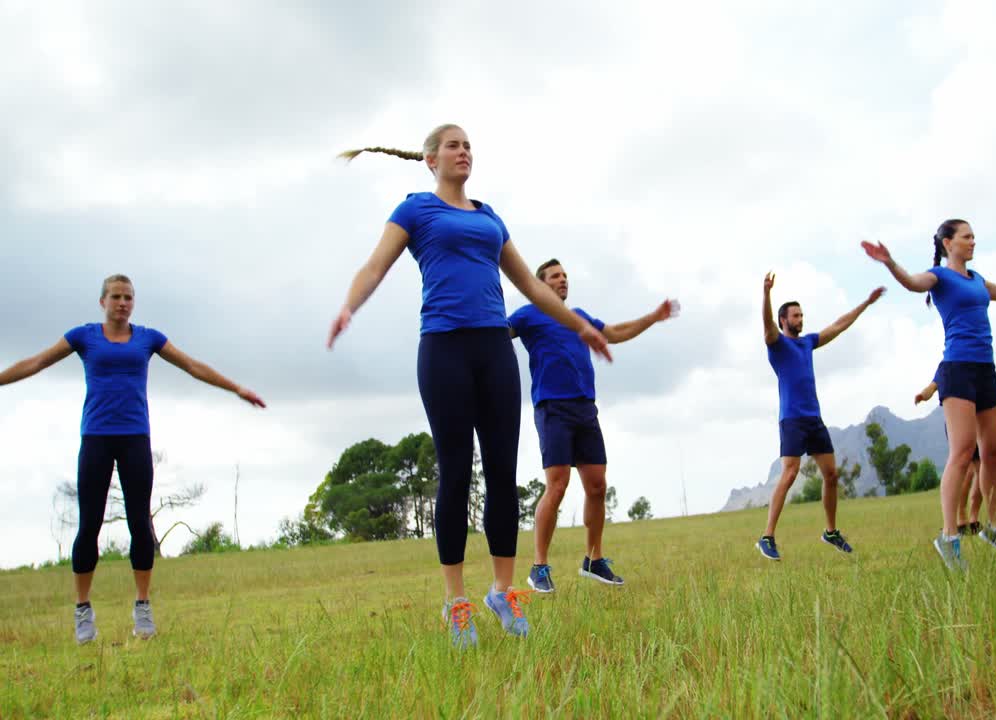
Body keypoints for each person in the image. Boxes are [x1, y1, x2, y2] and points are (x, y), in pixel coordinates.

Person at [328, 125, 611, 648]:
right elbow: (374, 266)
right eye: (454, 145)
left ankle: (504, 592)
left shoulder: (489, 216)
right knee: (456, 473)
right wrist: (350, 305)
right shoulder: (415, 210)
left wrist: (580, 325)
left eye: (469, 146)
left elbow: (528, 284)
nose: (464, 152)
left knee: (503, 473)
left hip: (494, 350)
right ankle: (456, 601)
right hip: (443, 349)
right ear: (430, 158)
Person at [0, 274, 265, 643]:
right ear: (102, 302)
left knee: (141, 524)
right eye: (116, 297)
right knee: (88, 524)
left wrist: (236, 388)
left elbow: (192, 366)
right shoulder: (83, 336)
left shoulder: (148, 339)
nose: (123, 303)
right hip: (95, 439)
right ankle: (82, 609)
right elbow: (37, 362)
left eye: (128, 297)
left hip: (135, 439)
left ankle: (142, 606)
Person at [864, 219, 996, 570]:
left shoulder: (977, 280)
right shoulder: (939, 277)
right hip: (957, 371)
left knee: (993, 455)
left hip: (986, 371)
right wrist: (890, 263)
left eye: (974, 235)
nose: (973, 241)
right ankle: (949, 537)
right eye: (966, 236)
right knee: (961, 454)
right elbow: (912, 284)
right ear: (948, 243)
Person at [509, 259, 678, 592]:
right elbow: (499, 335)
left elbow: (613, 333)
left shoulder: (580, 317)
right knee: (557, 485)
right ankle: (539, 567)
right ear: (540, 285)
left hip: (585, 408)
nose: (563, 280)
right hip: (552, 406)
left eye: (565, 276)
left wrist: (653, 317)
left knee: (597, 485)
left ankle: (593, 560)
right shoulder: (528, 315)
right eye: (555, 277)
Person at [756, 272, 885, 561]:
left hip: (814, 419)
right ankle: (767, 537)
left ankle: (830, 532)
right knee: (790, 473)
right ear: (783, 320)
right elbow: (766, 325)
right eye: (795, 316)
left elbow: (838, 325)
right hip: (791, 419)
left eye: (802, 315)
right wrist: (766, 294)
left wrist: (865, 303)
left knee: (831, 474)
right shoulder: (777, 344)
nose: (801, 319)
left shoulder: (807, 343)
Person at [915, 374, 996, 535]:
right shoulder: (951, 363)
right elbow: (938, 380)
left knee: (981, 468)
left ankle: (973, 518)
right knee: (966, 470)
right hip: (961, 422)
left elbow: (985, 386)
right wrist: (926, 392)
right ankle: (961, 519)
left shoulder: (975, 363)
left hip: (978, 420)